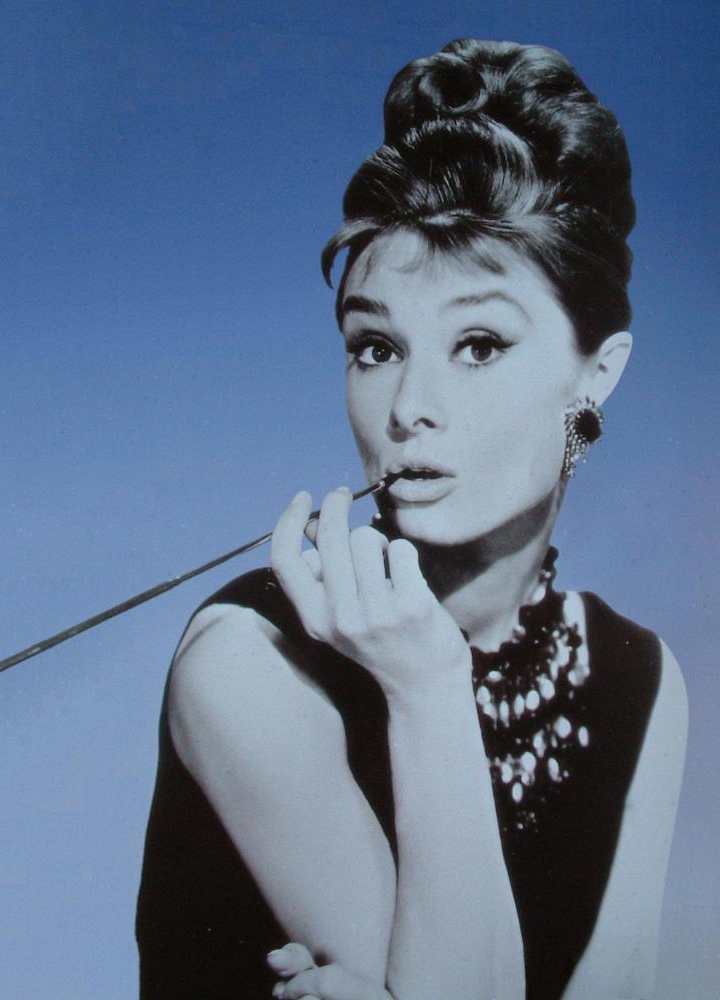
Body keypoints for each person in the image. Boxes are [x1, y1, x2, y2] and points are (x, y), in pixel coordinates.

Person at [136, 39, 687, 1000]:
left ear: (597, 373)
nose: (408, 409)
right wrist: (428, 687)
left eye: (478, 344)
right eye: (376, 347)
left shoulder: (635, 673)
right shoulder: (248, 663)